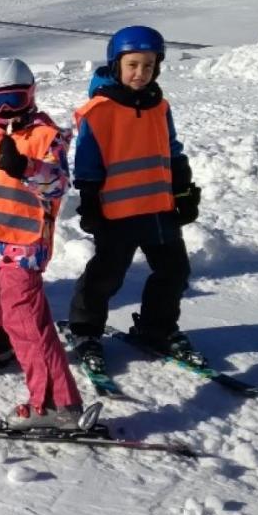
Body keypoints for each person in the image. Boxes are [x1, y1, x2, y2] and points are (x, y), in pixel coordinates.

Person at [0, 58, 85, 430]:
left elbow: (58, 185)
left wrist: (26, 167)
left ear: (31, 95)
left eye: (15, 99)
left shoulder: (45, 137)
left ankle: (56, 404)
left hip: (22, 245)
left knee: (25, 319)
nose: (7, 110)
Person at [66, 25, 204, 371]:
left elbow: (171, 151)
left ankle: (156, 328)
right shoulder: (98, 111)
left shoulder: (160, 106)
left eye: (149, 65)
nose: (140, 73)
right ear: (116, 65)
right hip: (116, 214)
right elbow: (87, 164)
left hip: (159, 210)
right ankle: (85, 331)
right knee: (106, 277)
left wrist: (183, 189)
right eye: (132, 65)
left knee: (174, 271)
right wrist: (91, 201)